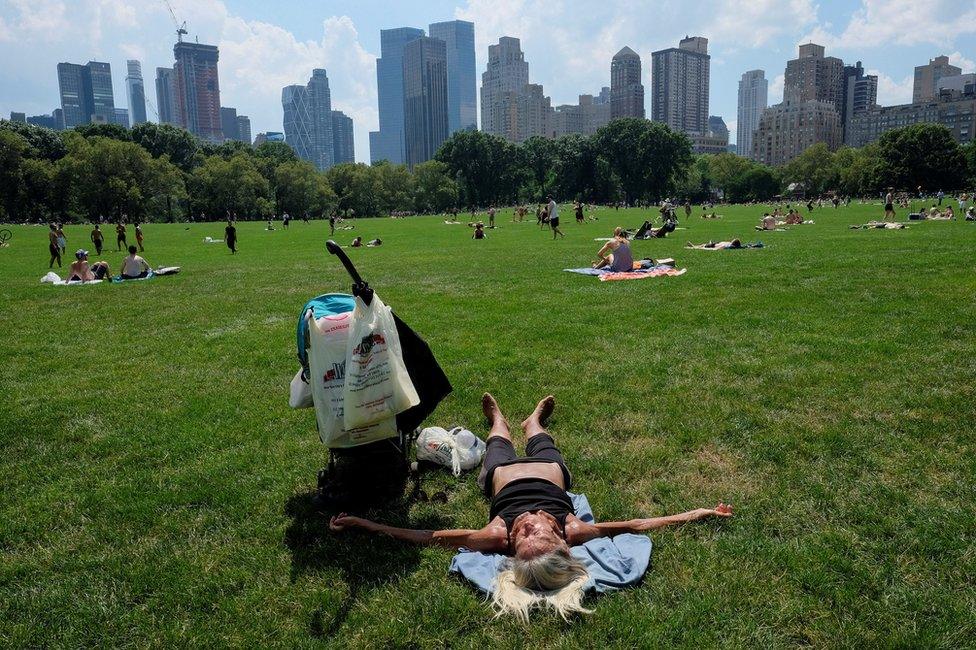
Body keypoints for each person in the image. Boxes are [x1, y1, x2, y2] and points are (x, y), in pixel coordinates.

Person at [329, 394, 732, 620]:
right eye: (533, 531)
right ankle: (533, 421)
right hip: (550, 470)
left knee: (497, 439)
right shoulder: (575, 530)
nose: (523, 527)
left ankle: (501, 421)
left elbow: (426, 537)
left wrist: (366, 524)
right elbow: (639, 525)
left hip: (501, 472)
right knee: (540, 435)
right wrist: (697, 513)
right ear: (561, 535)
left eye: (520, 538)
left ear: (510, 550)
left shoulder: (495, 536)